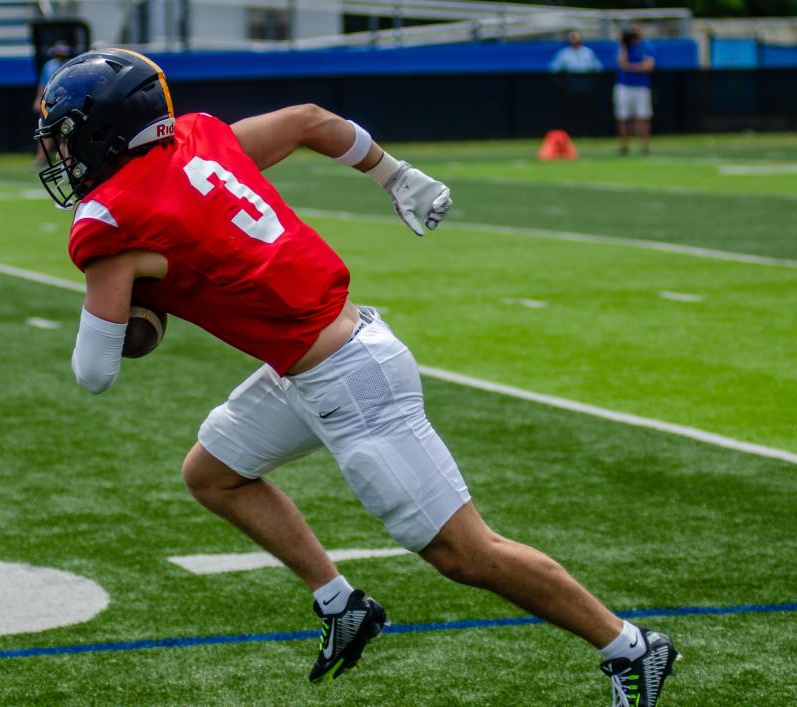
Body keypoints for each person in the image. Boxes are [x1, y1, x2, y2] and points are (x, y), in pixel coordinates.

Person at [36, 49, 680, 705]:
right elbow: (313, 120)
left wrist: (138, 277)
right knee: (213, 471)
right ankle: (340, 601)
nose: (57, 152)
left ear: (103, 128)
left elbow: (95, 373)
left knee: (465, 552)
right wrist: (396, 176)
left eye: (61, 133)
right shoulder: (203, 135)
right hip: (320, 359)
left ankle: (630, 645)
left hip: (351, 383)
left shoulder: (109, 219)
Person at [615, 23, 655, 155]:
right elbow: (622, 63)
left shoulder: (646, 46)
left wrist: (632, 67)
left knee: (643, 116)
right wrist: (624, 43)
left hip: (641, 86)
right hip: (625, 86)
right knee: (623, 116)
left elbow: (649, 66)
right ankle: (623, 146)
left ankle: (644, 146)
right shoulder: (624, 47)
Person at [32, 40, 71, 166]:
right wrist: (38, 99)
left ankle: (64, 158)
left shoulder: (69, 65)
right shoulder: (49, 66)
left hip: (66, 102)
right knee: (46, 129)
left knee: (66, 131)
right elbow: (43, 84)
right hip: (51, 102)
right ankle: (41, 157)